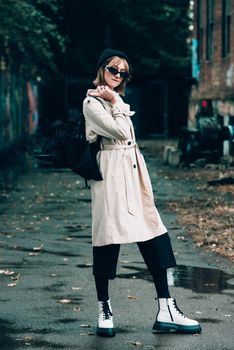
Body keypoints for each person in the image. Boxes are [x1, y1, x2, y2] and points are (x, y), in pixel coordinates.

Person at [83, 48, 202, 337]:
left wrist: (116, 101)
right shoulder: (91, 102)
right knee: (107, 237)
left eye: (123, 72)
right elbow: (121, 131)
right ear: (102, 69)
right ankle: (104, 308)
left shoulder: (115, 99)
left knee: (153, 231)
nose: (118, 76)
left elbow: (126, 133)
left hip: (133, 171)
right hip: (110, 172)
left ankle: (166, 307)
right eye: (114, 69)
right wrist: (116, 102)